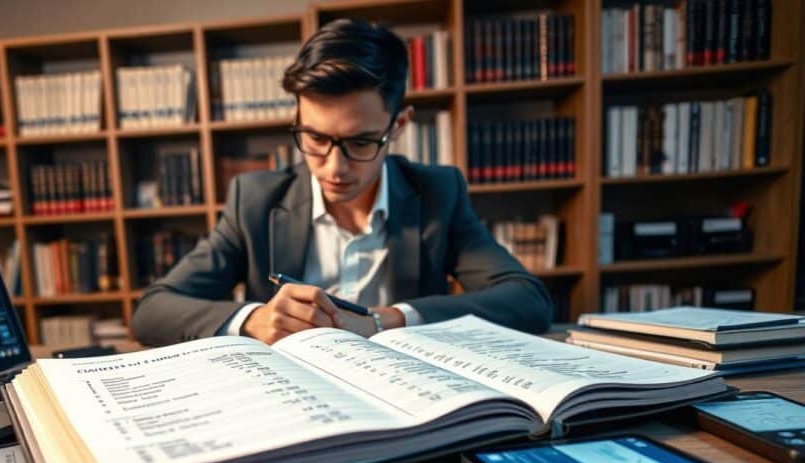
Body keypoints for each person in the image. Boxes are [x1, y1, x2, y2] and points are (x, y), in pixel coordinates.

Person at [132, 18, 552, 347]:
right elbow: (152, 311)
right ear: (297, 120)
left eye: (361, 141)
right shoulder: (255, 201)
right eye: (315, 138)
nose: (334, 167)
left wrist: (383, 320)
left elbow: (527, 301)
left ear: (399, 125)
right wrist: (254, 319)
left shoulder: (437, 193)